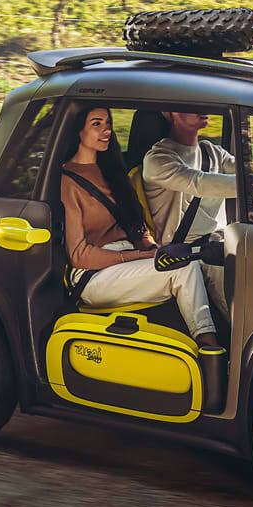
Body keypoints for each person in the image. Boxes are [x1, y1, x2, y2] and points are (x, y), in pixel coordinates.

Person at [60, 107, 219, 348]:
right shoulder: (68, 180)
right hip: (94, 275)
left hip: (130, 261)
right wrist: (138, 255)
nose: (107, 130)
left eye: (108, 122)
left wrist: (153, 249)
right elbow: (79, 255)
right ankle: (210, 350)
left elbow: (137, 226)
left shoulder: (113, 170)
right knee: (184, 270)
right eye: (96, 124)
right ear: (78, 131)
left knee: (196, 259)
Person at [141, 112, 236, 318]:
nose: (203, 110)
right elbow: (198, 183)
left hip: (219, 242)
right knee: (245, 314)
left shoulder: (211, 151)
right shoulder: (158, 159)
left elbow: (244, 169)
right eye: (193, 105)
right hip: (186, 253)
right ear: (172, 113)